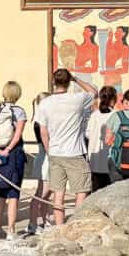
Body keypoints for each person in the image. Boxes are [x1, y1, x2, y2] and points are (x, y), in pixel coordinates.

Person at [36, 68, 97, 226]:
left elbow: (43, 130)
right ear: (68, 82)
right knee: (81, 191)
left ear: (53, 82)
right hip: (74, 152)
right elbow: (94, 92)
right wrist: (76, 79)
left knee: (58, 193)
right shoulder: (77, 99)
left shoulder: (45, 103)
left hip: (55, 152)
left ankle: (59, 227)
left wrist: (49, 150)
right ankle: (76, 224)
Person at [0, 81, 28, 239]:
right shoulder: (19, 112)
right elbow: (17, 135)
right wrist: (8, 150)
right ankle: (11, 229)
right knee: (13, 192)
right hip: (12, 154)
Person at [26, 92, 53, 235]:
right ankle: (32, 223)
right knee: (42, 193)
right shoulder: (40, 121)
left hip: (47, 157)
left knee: (47, 194)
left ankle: (45, 221)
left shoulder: (44, 119)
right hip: (45, 158)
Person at [85, 86, 118, 191]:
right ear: (113, 100)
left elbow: (87, 134)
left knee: (96, 192)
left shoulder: (94, 115)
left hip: (94, 160)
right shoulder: (116, 115)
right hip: (110, 161)